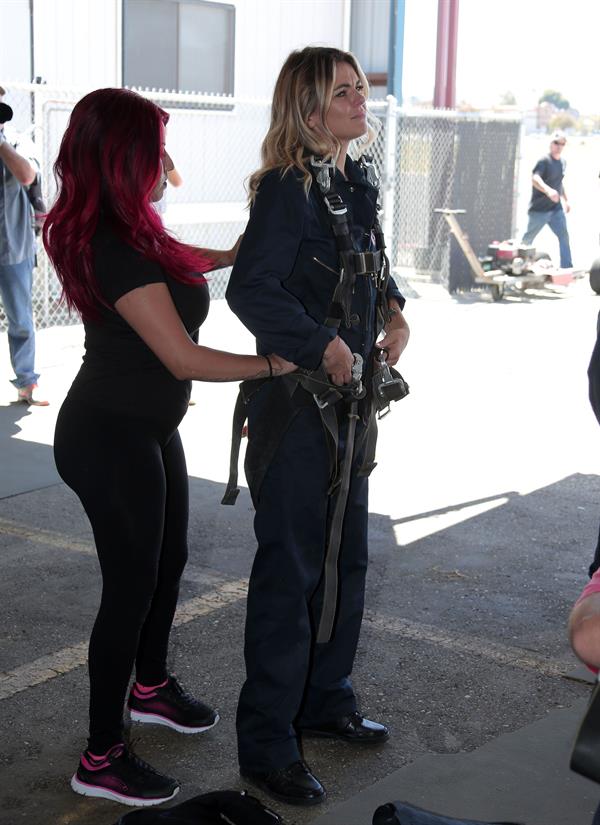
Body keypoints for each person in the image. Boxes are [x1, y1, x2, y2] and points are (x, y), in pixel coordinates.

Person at [43, 87, 295, 808]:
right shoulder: (113, 247)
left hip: (145, 427)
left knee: (168, 559)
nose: (169, 162)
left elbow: (183, 260)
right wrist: (279, 363)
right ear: (127, 158)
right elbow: (182, 358)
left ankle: (149, 687)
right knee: (128, 587)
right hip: (107, 435)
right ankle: (101, 754)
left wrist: (242, 249)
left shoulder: (136, 229)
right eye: (158, 148)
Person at [225, 46, 410, 806]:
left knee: (344, 565)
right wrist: (320, 344)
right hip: (299, 415)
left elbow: (370, 265)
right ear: (308, 108)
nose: (360, 100)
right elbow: (252, 290)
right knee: (289, 576)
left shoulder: (353, 180)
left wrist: (395, 312)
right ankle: (268, 741)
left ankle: (324, 697)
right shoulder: (284, 192)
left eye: (360, 88)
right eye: (344, 92)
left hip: (352, 410)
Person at [0, 85, 48, 405]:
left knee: (20, 318)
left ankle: (26, 384)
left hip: (12, 245)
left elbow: (27, 175)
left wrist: (1, 142)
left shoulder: (17, 140)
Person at [521, 129, 573, 270]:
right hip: (539, 210)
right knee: (527, 241)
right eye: (557, 143)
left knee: (563, 236)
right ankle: (519, 266)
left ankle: (567, 268)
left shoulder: (562, 162)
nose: (559, 146)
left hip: (555, 209)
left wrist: (566, 200)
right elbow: (535, 178)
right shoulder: (544, 161)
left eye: (562, 144)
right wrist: (548, 190)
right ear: (551, 143)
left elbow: (559, 183)